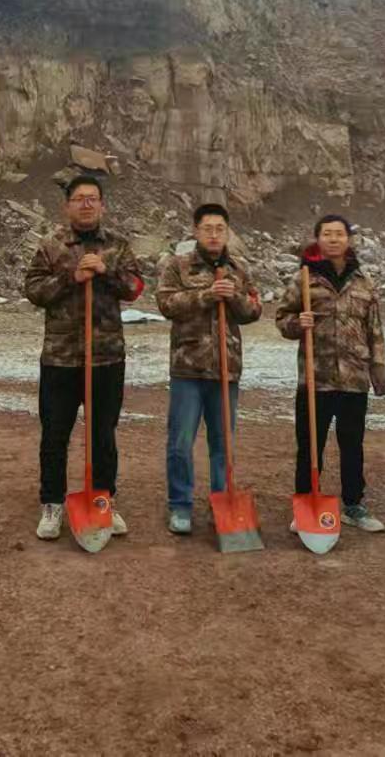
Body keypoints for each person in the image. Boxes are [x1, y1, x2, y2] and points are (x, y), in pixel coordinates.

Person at [23, 174, 144, 540]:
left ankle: (103, 499)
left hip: (106, 357)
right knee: (54, 434)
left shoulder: (118, 246)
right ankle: (52, 502)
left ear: (102, 205)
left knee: (103, 434)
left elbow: (136, 288)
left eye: (92, 198)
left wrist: (107, 273)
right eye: (79, 198)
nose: (86, 204)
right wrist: (71, 277)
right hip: (60, 358)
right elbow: (33, 290)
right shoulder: (51, 245)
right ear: (67, 206)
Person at [275, 215, 385, 533]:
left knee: (352, 444)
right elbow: (282, 318)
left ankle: (353, 504)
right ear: (318, 239)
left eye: (339, 234)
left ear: (348, 240)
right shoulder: (304, 279)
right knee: (310, 445)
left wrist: (379, 371)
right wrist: (298, 323)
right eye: (327, 234)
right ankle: (305, 502)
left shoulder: (363, 282)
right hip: (316, 378)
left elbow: (375, 330)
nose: (334, 239)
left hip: (354, 378)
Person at [155, 203, 262, 535]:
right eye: (207, 228)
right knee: (180, 441)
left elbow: (254, 310)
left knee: (223, 443)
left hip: (226, 370)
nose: (214, 235)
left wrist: (234, 298)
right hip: (188, 368)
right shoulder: (178, 265)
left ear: (227, 232)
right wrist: (206, 295)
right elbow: (166, 304)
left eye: (220, 229)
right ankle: (180, 505)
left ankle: (222, 502)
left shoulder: (239, 268)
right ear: (196, 231)